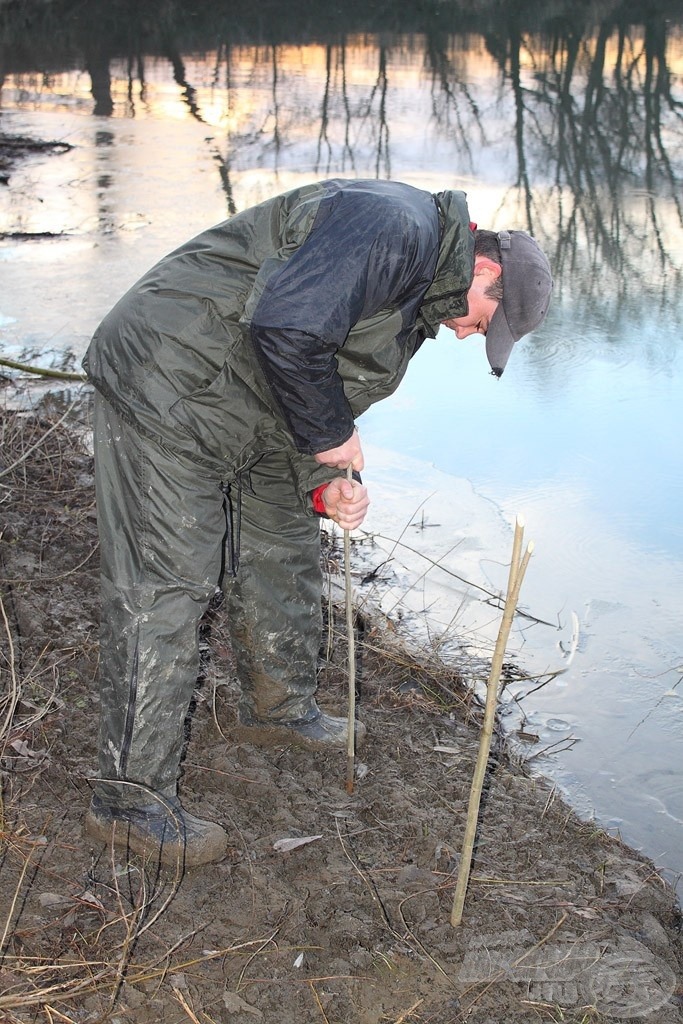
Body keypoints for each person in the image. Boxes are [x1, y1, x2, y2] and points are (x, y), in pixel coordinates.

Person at [82, 178, 552, 867]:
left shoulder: (422, 292)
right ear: (486, 272)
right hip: (169, 384)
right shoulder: (393, 227)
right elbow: (288, 326)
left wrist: (330, 477)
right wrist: (331, 436)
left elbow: (322, 372)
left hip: (252, 398)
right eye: (482, 321)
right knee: (165, 590)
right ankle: (126, 803)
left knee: (283, 547)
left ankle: (278, 712)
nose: (464, 333)